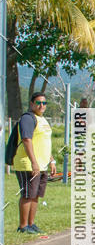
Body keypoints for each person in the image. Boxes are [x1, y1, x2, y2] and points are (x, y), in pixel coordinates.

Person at [13, 91, 56, 234]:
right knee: (28, 194)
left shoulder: (42, 119)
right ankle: (23, 226)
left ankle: (31, 224)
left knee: (36, 194)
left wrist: (51, 161)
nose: (42, 105)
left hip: (42, 164)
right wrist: (34, 162)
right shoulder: (28, 118)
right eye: (38, 102)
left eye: (44, 103)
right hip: (28, 164)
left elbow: (44, 142)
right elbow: (27, 140)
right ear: (32, 104)